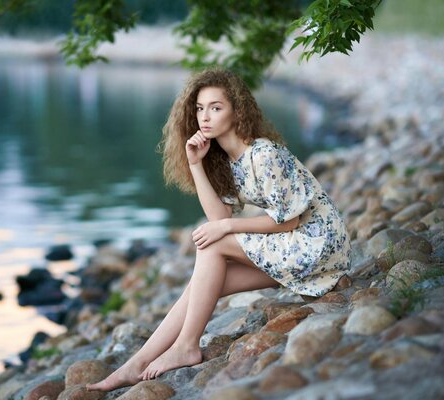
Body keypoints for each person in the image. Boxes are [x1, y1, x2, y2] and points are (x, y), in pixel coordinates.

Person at [87, 68, 351, 392]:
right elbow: (217, 216)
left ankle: (186, 346)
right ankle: (135, 364)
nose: (205, 116)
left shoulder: (263, 153)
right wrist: (196, 164)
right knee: (204, 284)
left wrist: (227, 226)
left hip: (317, 243)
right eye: (199, 108)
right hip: (296, 250)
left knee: (211, 245)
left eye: (216, 107)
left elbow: (290, 221)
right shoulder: (227, 160)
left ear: (237, 110)